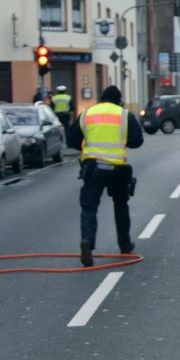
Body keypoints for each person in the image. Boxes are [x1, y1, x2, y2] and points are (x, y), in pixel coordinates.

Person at [66, 85, 144, 267]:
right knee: (120, 206)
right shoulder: (124, 115)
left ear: (102, 98)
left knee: (89, 207)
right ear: (119, 100)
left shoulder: (87, 113)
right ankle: (125, 245)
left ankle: (87, 241)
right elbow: (137, 141)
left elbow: (71, 139)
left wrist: (87, 147)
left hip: (93, 168)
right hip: (117, 169)